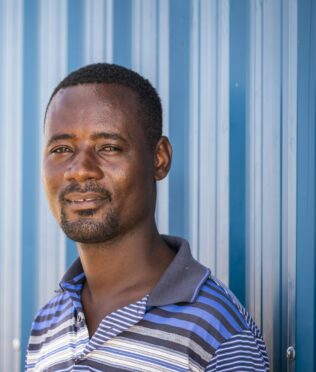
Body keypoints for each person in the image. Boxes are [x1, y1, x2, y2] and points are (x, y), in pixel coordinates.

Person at [26, 63, 270, 371]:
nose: (80, 169)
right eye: (61, 148)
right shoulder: (48, 322)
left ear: (159, 159)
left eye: (109, 147)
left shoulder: (217, 332)